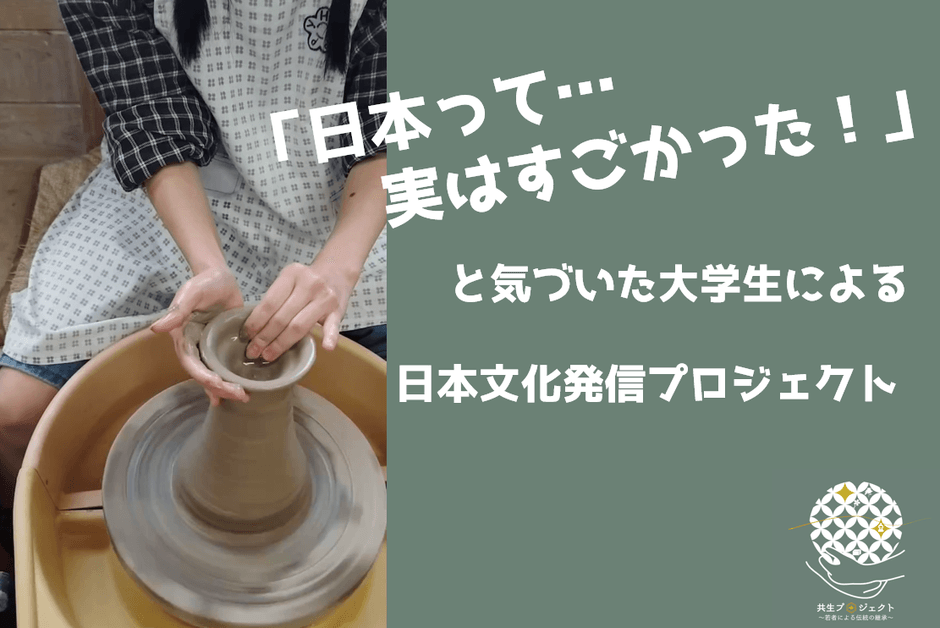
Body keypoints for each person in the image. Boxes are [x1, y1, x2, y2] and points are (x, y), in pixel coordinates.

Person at [0, 0, 388, 573]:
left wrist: (338, 268)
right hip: (172, 194)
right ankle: (28, 571)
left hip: (337, 194)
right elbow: (150, 117)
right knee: (13, 414)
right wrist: (208, 267)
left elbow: (391, 127)